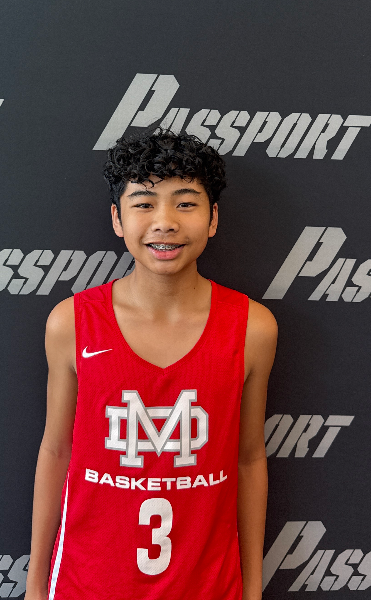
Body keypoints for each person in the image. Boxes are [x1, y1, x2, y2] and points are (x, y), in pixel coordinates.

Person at [24, 126, 278, 600]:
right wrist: (36, 585)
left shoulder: (253, 328)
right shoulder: (71, 323)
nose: (164, 222)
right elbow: (57, 452)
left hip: (207, 585)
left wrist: (252, 588)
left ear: (213, 218)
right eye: (143, 203)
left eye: (186, 203)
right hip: (87, 583)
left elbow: (249, 459)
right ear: (117, 218)